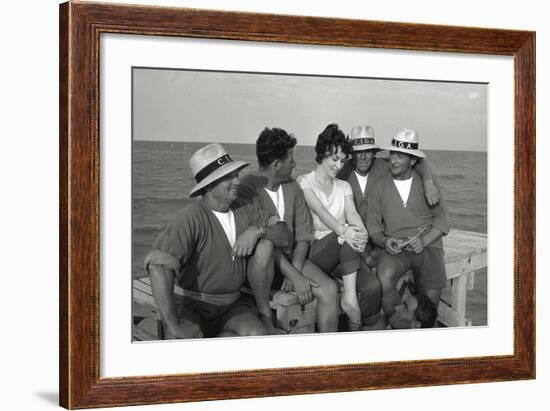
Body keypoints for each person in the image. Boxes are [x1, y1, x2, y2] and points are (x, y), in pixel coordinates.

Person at [144, 143, 290, 339]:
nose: (237, 181)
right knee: (184, 342)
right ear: (209, 185)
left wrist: (257, 230)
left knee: (258, 336)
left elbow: (283, 235)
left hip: (232, 306)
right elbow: (157, 266)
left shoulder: (244, 209)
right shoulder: (191, 216)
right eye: (228, 177)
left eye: (236, 175)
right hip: (191, 306)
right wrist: (174, 325)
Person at [235, 127, 340, 333]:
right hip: (261, 268)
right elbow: (259, 243)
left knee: (329, 289)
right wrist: (293, 275)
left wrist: (297, 269)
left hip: (292, 261)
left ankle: (330, 355)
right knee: (264, 246)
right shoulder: (247, 189)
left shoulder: (292, 186)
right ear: (276, 164)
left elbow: (303, 235)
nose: (294, 163)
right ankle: (266, 320)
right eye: (290, 158)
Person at [336, 125, 441, 327]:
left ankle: (395, 322)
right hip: (354, 242)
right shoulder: (342, 171)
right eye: (358, 152)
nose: (363, 157)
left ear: (375, 153)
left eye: (368, 151)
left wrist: (428, 181)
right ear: (351, 154)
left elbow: (417, 162)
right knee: (371, 281)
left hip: (380, 240)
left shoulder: (386, 167)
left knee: (388, 274)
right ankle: (367, 325)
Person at [366, 128, 450, 326]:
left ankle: (424, 332)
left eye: (401, 156)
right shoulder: (379, 186)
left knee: (429, 304)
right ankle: (399, 325)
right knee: (384, 277)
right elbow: (373, 227)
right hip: (396, 248)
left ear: (413, 161)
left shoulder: (427, 183)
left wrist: (425, 241)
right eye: (392, 154)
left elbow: (443, 220)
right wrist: (385, 241)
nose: (394, 160)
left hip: (428, 245)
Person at [297, 124, 369, 331]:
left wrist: (361, 233)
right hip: (316, 251)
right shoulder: (304, 182)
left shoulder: (343, 186)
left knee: (372, 286)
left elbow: (353, 214)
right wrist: (345, 231)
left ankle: (358, 330)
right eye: (334, 159)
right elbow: (319, 210)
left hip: (344, 246)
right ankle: (350, 301)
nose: (338, 165)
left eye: (342, 161)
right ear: (322, 154)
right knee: (346, 236)